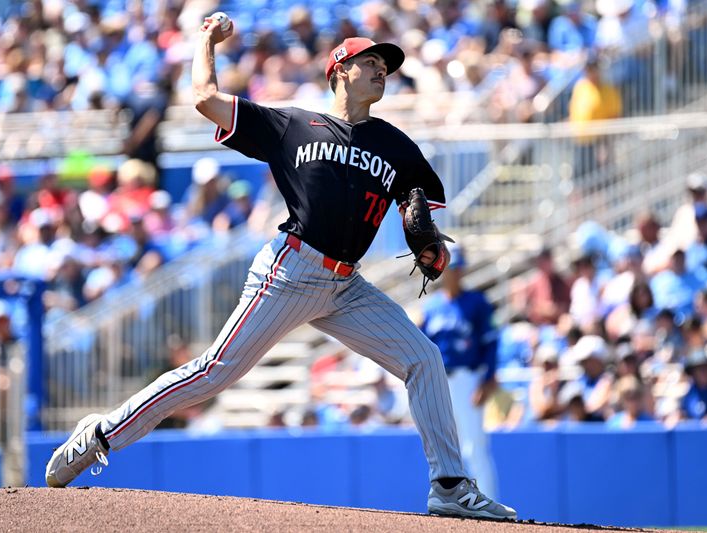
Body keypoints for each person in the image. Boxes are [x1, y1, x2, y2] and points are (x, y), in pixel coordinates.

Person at [45, 22, 515, 521]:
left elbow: (419, 212)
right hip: (290, 271)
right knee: (210, 373)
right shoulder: (293, 126)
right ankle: (100, 435)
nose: (381, 70)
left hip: (346, 286)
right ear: (339, 69)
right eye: (370, 62)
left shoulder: (397, 147)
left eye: (386, 66)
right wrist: (204, 42)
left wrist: (428, 247)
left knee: (424, 358)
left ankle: (448, 485)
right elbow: (204, 98)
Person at [419, 245, 500, 499]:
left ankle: (490, 502)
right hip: (441, 381)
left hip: (468, 379)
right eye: (451, 268)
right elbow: (422, 347)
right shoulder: (432, 307)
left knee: (475, 446)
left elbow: (491, 344)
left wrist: (488, 379)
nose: (456, 273)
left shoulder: (477, 303)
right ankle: (456, 502)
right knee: (446, 448)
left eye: (459, 268)